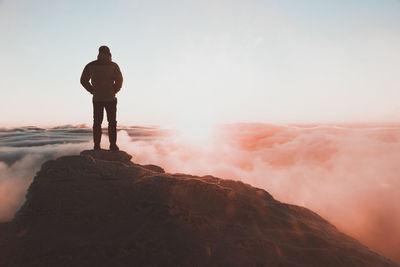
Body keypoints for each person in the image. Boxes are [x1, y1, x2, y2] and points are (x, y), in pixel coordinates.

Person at [80, 45, 123, 151]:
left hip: (97, 98)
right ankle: (113, 145)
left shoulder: (90, 65)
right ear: (109, 53)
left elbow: (83, 80)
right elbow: (120, 80)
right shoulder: (113, 65)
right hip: (110, 98)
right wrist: (114, 90)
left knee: (97, 123)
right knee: (112, 122)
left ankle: (97, 145)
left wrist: (92, 90)